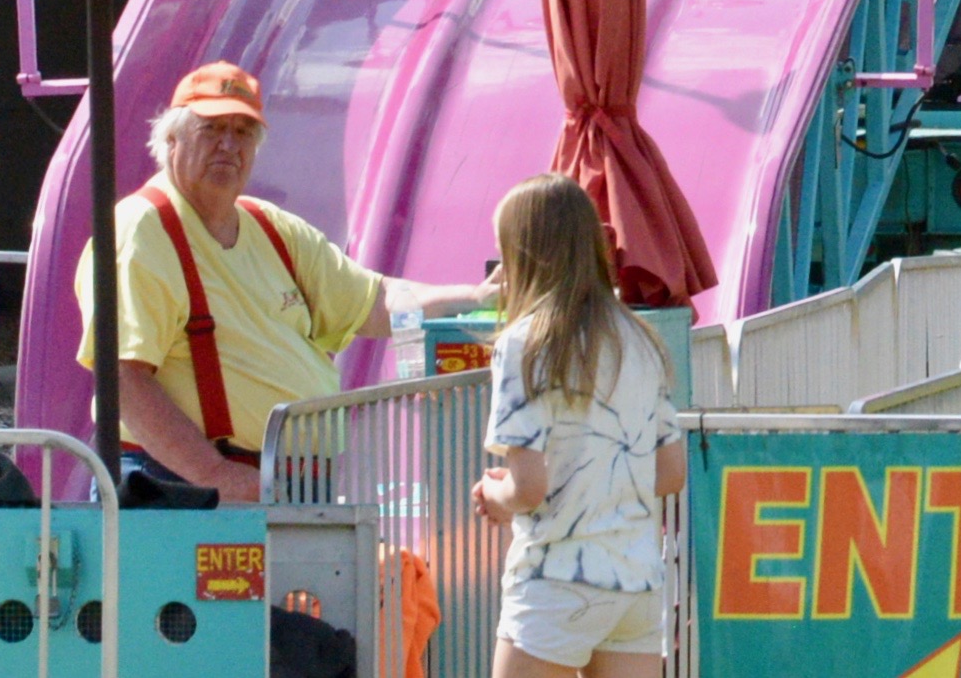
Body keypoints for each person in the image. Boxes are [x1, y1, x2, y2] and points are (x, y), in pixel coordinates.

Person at [75, 61, 477, 504]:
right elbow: (123, 381)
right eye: (211, 129)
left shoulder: (272, 227)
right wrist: (217, 475)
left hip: (282, 487)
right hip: (184, 490)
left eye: (244, 131)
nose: (229, 145)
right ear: (171, 139)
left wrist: (482, 296)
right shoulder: (142, 230)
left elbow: (376, 302)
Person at [472, 175, 684, 678]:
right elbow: (670, 472)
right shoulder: (641, 340)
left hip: (556, 578)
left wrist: (492, 496)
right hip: (634, 582)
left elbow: (529, 488)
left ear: (526, 256)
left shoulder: (525, 344)